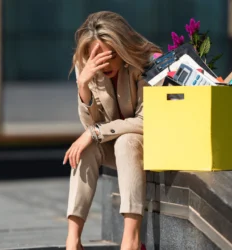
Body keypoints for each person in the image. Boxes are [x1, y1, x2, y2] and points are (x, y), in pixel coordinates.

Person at [63, 11, 162, 250]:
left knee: (126, 141)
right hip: (115, 148)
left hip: (148, 146)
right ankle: (73, 239)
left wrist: (94, 132)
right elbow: (90, 126)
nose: (103, 64)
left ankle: (131, 239)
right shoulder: (85, 66)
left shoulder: (148, 62)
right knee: (84, 149)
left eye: (110, 55)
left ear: (123, 49)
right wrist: (83, 86)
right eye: (96, 57)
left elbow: (147, 121)